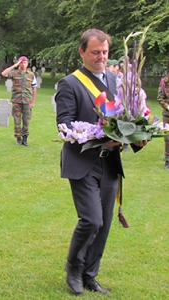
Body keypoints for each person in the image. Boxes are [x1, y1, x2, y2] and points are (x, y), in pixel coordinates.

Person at [55, 28, 148, 295]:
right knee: (92, 220)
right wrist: (97, 137)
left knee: (105, 223)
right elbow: (65, 124)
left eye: (105, 52)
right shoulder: (69, 83)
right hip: (82, 161)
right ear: (82, 52)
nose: (101, 57)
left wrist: (138, 135)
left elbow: (128, 116)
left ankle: (89, 275)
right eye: (95, 52)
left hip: (110, 163)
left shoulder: (116, 81)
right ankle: (73, 267)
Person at [1, 56, 37, 146]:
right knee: (17, 120)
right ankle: (18, 138)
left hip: (27, 101)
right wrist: (15, 65)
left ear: (27, 63)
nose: (23, 64)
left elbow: (34, 88)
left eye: (24, 62)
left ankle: (25, 139)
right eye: (21, 62)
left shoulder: (31, 75)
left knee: (26, 120)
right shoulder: (14, 73)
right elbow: (3, 73)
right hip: (16, 100)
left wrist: (33, 101)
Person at [157, 73, 169, 168]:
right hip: (167, 114)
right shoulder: (164, 82)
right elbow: (160, 98)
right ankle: (168, 161)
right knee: (168, 137)